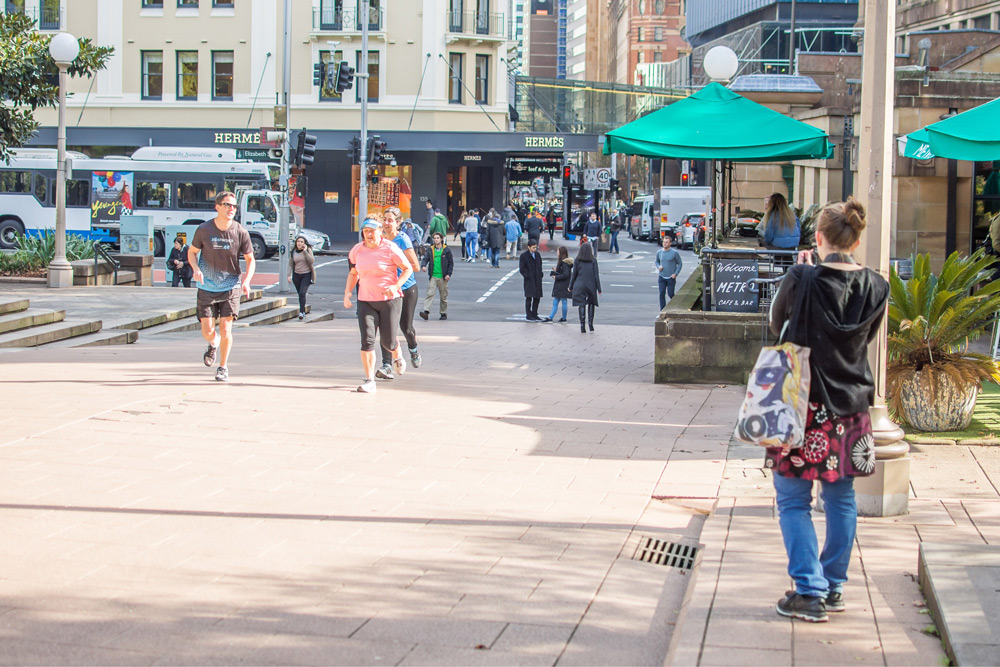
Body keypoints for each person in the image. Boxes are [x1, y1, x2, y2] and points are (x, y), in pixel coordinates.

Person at [765, 197, 889, 623]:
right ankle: (833, 585)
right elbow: (864, 339)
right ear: (856, 240)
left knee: (793, 499)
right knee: (841, 498)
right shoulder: (877, 286)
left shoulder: (802, 277)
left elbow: (775, 323)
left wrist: (801, 276)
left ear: (818, 238)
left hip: (803, 403)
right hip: (851, 405)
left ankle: (809, 590)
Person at [187, 191, 255, 383]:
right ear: (217, 207)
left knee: (226, 329)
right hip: (207, 286)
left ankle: (223, 367)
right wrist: (195, 269)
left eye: (234, 206)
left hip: (231, 286)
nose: (231, 209)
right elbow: (192, 252)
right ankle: (213, 343)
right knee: (207, 330)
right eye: (227, 205)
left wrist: (247, 281)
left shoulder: (241, 231)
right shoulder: (204, 230)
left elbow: (250, 259)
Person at [344, 217, 413, 394]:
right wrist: (347, 292)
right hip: (366, 300)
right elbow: (353, 273)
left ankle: (397, 354)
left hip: (389, 300)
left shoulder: (390, 248)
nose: (368, 234)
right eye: (365, 231)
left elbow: (408, 268)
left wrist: (396, 286)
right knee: (367, 340)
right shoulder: (357, 250)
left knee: (387, 341)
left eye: (372, 231)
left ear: (380, 231)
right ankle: (369, 380)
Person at [378, 207, 422, 376]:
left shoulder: (402, 239)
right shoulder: (380, 239)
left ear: (398, 223)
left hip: (406, 288)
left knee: (406, 327)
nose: (386, 223)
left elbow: (416, 266)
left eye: (390, 220)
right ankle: (387, 365)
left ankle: (413, 349)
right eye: (384, 219)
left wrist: (396, 263)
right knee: (387, 328)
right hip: (388, 290)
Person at [419, 232, 454, 321]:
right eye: (434, 238)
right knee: (429, 294)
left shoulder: (446, 250)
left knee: (443, 296)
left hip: (443, 277)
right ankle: (426, 312)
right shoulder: (431, 249)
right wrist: (423, 266)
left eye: (438, 238)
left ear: (441, 239)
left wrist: (448, 274)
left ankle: (443, 313)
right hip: (433, 276)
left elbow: (450, 263)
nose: (436, 240)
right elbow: (425, 259)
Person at [569, 241, 601, 333]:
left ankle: (582, 324)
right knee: (591, 302)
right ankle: (590, 324)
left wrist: (570, 286)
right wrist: (599, 288)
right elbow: (596, 275)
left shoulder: (577, 260)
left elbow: (574, 275)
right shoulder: (593, 260)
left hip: (579, 284)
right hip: (591, 285)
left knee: (581, 304)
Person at [287, 234, 316, 320]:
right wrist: (288, 275)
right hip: (296, 275)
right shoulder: (294, 252)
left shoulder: (308, 250)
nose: (299, 243)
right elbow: (290, 264)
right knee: (300, 294)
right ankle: (302, 310)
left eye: (301, 242)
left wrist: (305, 251)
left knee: (302, 293)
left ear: (304, 243)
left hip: (306, 275)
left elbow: (311, 261)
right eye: (298, 241)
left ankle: (301, 312)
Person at [543, 246, 572, 322]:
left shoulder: (564, 263)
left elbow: (566, 274)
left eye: (558, 251)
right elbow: (565, 273)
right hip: (563, 284)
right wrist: (556, 271)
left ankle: (557, 318)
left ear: (561, 252)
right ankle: (556, 317)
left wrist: (557, 277)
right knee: (557, 301)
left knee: (562, 301)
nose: (557, 253)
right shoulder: (565, 262)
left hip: (562, 285)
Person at [655, 234, 683, 310]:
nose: (665, 244)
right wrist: (658, 266)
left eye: (666, 242)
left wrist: (675, 274)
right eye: (664, 242)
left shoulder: (674, 253)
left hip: (671, 277)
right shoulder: (659, 252)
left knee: (671, 294)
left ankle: (675, 307)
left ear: (670, 243)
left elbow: (680, 263)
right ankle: (662, 310)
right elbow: (657, 261)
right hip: (662, 276)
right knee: (661, 293)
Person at [519, 239, 543, 321]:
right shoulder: (524, 256)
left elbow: (540, 265)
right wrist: (527, 276)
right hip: (529, 280)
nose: (535, 249)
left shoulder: (537, 255)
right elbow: (522, 268)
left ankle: (534, 313)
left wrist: (540, 274)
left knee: (537, 297)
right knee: (529, 297)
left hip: (537, 279)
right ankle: (528, 314)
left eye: (536, 247)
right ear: (529, 247)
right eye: (533, 247)